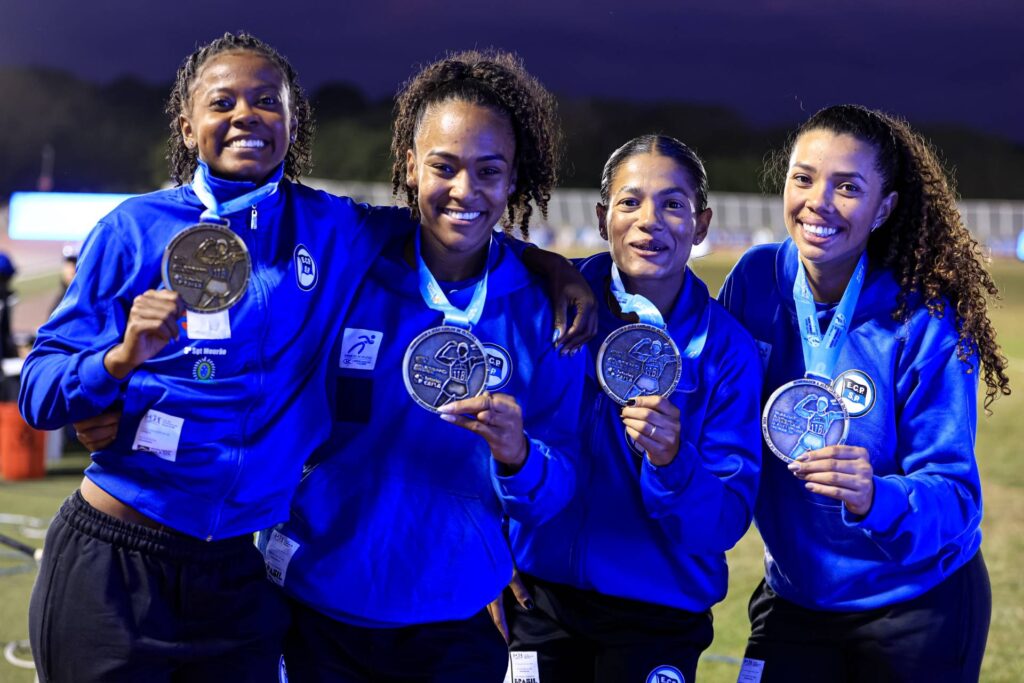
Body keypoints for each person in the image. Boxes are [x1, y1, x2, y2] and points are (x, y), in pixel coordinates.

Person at [18, 32, 416, 682]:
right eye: (222, 102)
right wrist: (118, 360)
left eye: (266, 101)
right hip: (115, 564)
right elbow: (39, 391)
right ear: (188, 124)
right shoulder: (134, 228)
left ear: (293, 121)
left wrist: (549, 264)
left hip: (236, 574)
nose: (245, 116)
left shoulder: (335, 227)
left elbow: (451, 229)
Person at [264, 50, 584, 682]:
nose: (465, 189)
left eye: (488, 171)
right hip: (319, 610)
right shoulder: (351, 259)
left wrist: (520, 455)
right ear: (411, 167)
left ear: (514, 177)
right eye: (444, 166)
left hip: (455, 623)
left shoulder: (541, 311)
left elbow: (559, 487)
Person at [718, 104, 1009, 682]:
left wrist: (877, 497)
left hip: (916, 604)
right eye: (803, 178)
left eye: (847, 187)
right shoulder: (754, 281)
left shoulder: (923, 318)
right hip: (798, 596)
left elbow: (955, 496)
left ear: (885, 208)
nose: (818, 203)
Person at [503, 135, 763, 683]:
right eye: (630, 201)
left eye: (673, 204)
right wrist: (488, 552)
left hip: (659, 614)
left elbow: (724, 521)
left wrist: (673, 463)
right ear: (602, 218)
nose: (650, 221)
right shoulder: (544, 304)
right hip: (540, 602)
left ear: (702, 223)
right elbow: (485, 437)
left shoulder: (727, 350)